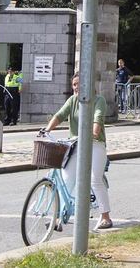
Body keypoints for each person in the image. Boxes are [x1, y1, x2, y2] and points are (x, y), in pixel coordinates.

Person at [41, 72, 113, 230]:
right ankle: (58, 218)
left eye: (79, 84)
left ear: (88, 84)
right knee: (66, 180)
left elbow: (98, 117)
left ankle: (106, 216)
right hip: (76, 144)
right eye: (74, 84)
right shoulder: (72, 100)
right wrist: (46, 130)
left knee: (95, 179)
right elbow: (60, 115)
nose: (76, 87)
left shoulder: (98, 100)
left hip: (95, 144)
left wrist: (94, 131)